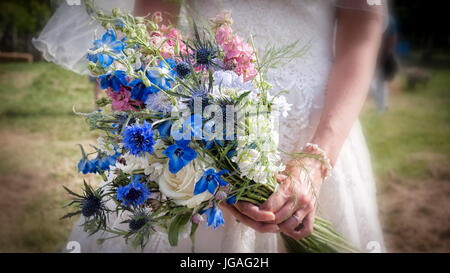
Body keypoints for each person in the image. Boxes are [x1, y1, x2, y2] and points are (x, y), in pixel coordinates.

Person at [37, 0, 387, 253]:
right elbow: (155, 22)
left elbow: (364, 25)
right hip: (203, 113)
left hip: (319, 123)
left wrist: (316, 159)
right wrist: (198, 152)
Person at [371, 14, 399, 112]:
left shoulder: (388, 19)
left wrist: (386, 55)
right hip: (380, 54)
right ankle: (383, 104)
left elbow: (392, 38)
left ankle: (381, 106)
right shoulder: (388, 18)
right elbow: (393, 38)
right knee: (380, 83)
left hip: (382, 55)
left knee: (379, 82)